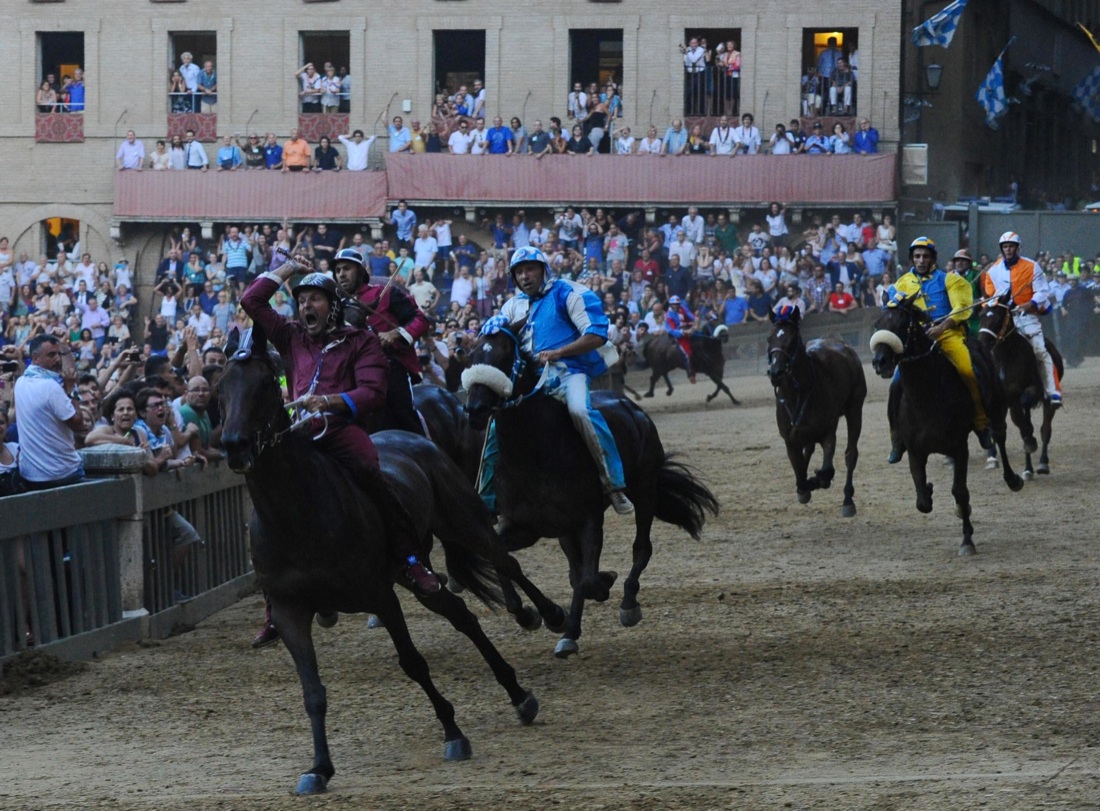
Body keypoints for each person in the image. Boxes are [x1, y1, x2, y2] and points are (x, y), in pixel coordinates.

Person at [241, 259, 441, 646]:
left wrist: (331, 402)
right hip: (297, 437)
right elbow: (252, 300)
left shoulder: (360, 340)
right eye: (301, 301)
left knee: (373, 476)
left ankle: (413, 562)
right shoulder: (290, 336)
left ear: (332, 305)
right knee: (268, 506)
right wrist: (285, 270)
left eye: (315, 299)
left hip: (341, 431)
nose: (306, 307)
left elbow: (373, 393)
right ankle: (274, 603)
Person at [476, 246, 634, 516]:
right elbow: (499, 332)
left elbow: (596, 336)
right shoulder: (512, 305)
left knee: (580, 410)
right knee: (494, 429)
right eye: (520, 272)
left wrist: (559, 352)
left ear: (543, 270)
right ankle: (486, 500)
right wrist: (489, 329)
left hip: (569, 372)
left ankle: (613, 484)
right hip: (529, 382)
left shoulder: (568, 292)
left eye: (530, 269)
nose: (525, 276)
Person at [886, 237, 993, 461]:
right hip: (915, 341)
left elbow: (961, 307)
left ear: (933, 258)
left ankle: (981, 423)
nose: (921, 260)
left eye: (925, 256)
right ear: (912, 259)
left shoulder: (950, 280)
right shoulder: (902, 283)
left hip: (947, 334)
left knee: (966, 370)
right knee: (896, 383)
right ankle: (897, 436)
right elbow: (893, 309)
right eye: (917, 256)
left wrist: (942, 325)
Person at [333, 247, 429, 435]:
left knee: (404, 415)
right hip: (351, 373)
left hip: (390, 367)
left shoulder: (385, 293)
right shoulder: (335, 306)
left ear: (360, 272)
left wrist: (394, 334)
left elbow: (421, 320)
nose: (341, 274)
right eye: (338, 270)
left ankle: (424, 448)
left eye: (347, 269)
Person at [981, 231, 1061, 407]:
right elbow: (990, 294)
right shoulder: (993, 270)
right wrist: (996, 303)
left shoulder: (1032, 266)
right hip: (1003, 317)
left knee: (1040, 350)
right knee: (987, 345)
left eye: (1011, 246)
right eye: (1005, 247)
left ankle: (1052, 390)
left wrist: (1029, 303)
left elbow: (1043, 291)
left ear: (1018, 248)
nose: (1008, 250)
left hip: (1026, 316)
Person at [13, 334, 88, 489]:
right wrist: (72, 391)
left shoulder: (21, 382)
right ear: (35, 358)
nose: (58, 360)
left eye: (59, 354)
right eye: (51, 355)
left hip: (31, 476)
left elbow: (70, 373)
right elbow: (79, 425)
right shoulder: (51, 387)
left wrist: (65, 347)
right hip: (64, 473)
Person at [664, 295, 697, 383]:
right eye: (674, 304)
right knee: (687, 353)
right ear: (671, 305)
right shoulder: (668, 315)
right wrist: (684, 332)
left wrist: (695, 321)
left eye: (677, 304)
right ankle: (691, 374)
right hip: (679, 335)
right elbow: (671, 330)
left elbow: (690, 315)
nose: (676, 306)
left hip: (688, 328)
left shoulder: (682, 308)